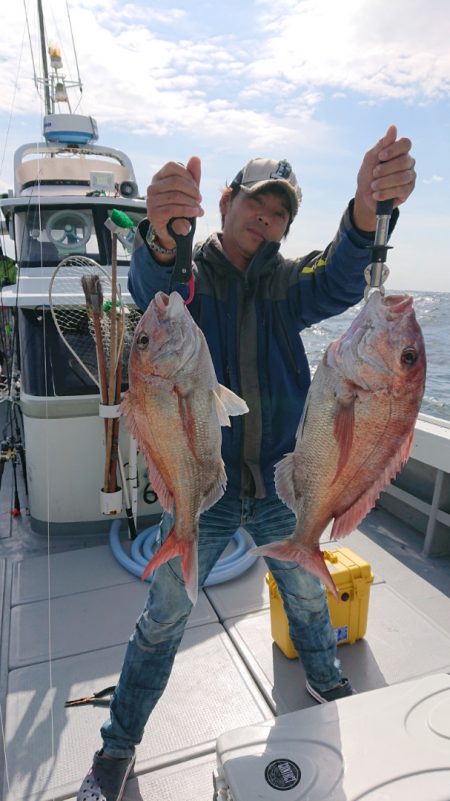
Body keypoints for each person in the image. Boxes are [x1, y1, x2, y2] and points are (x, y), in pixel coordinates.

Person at [77, 124, 416, 801]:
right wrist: (164, 233)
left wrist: (363, 210)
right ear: (225, 200)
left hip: (283, 473)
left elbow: (342, 276)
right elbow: (155, 285)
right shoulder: (189, 280)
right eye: (258, 203)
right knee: (167, 610)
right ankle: (117, 747)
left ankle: (327, 685)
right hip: (204, 486)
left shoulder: (288, 286)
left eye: (281, 213)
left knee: (307, 593)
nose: (267, 220)